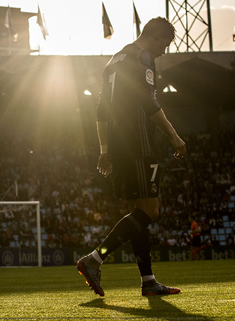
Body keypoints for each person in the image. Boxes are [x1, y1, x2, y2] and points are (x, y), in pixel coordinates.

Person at [77, 17, 186, 297]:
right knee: (150, 212)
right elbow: (148, 102)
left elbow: (102, 109)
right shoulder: (142, 57)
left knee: (138, 213)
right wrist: (173, 136)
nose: (164, 51)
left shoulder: (115, 59)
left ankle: (148, 281)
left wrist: (104, 150)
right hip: (139, 144)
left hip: (119, 146)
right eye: (166, 43)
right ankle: (94, 259)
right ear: (158, 36)